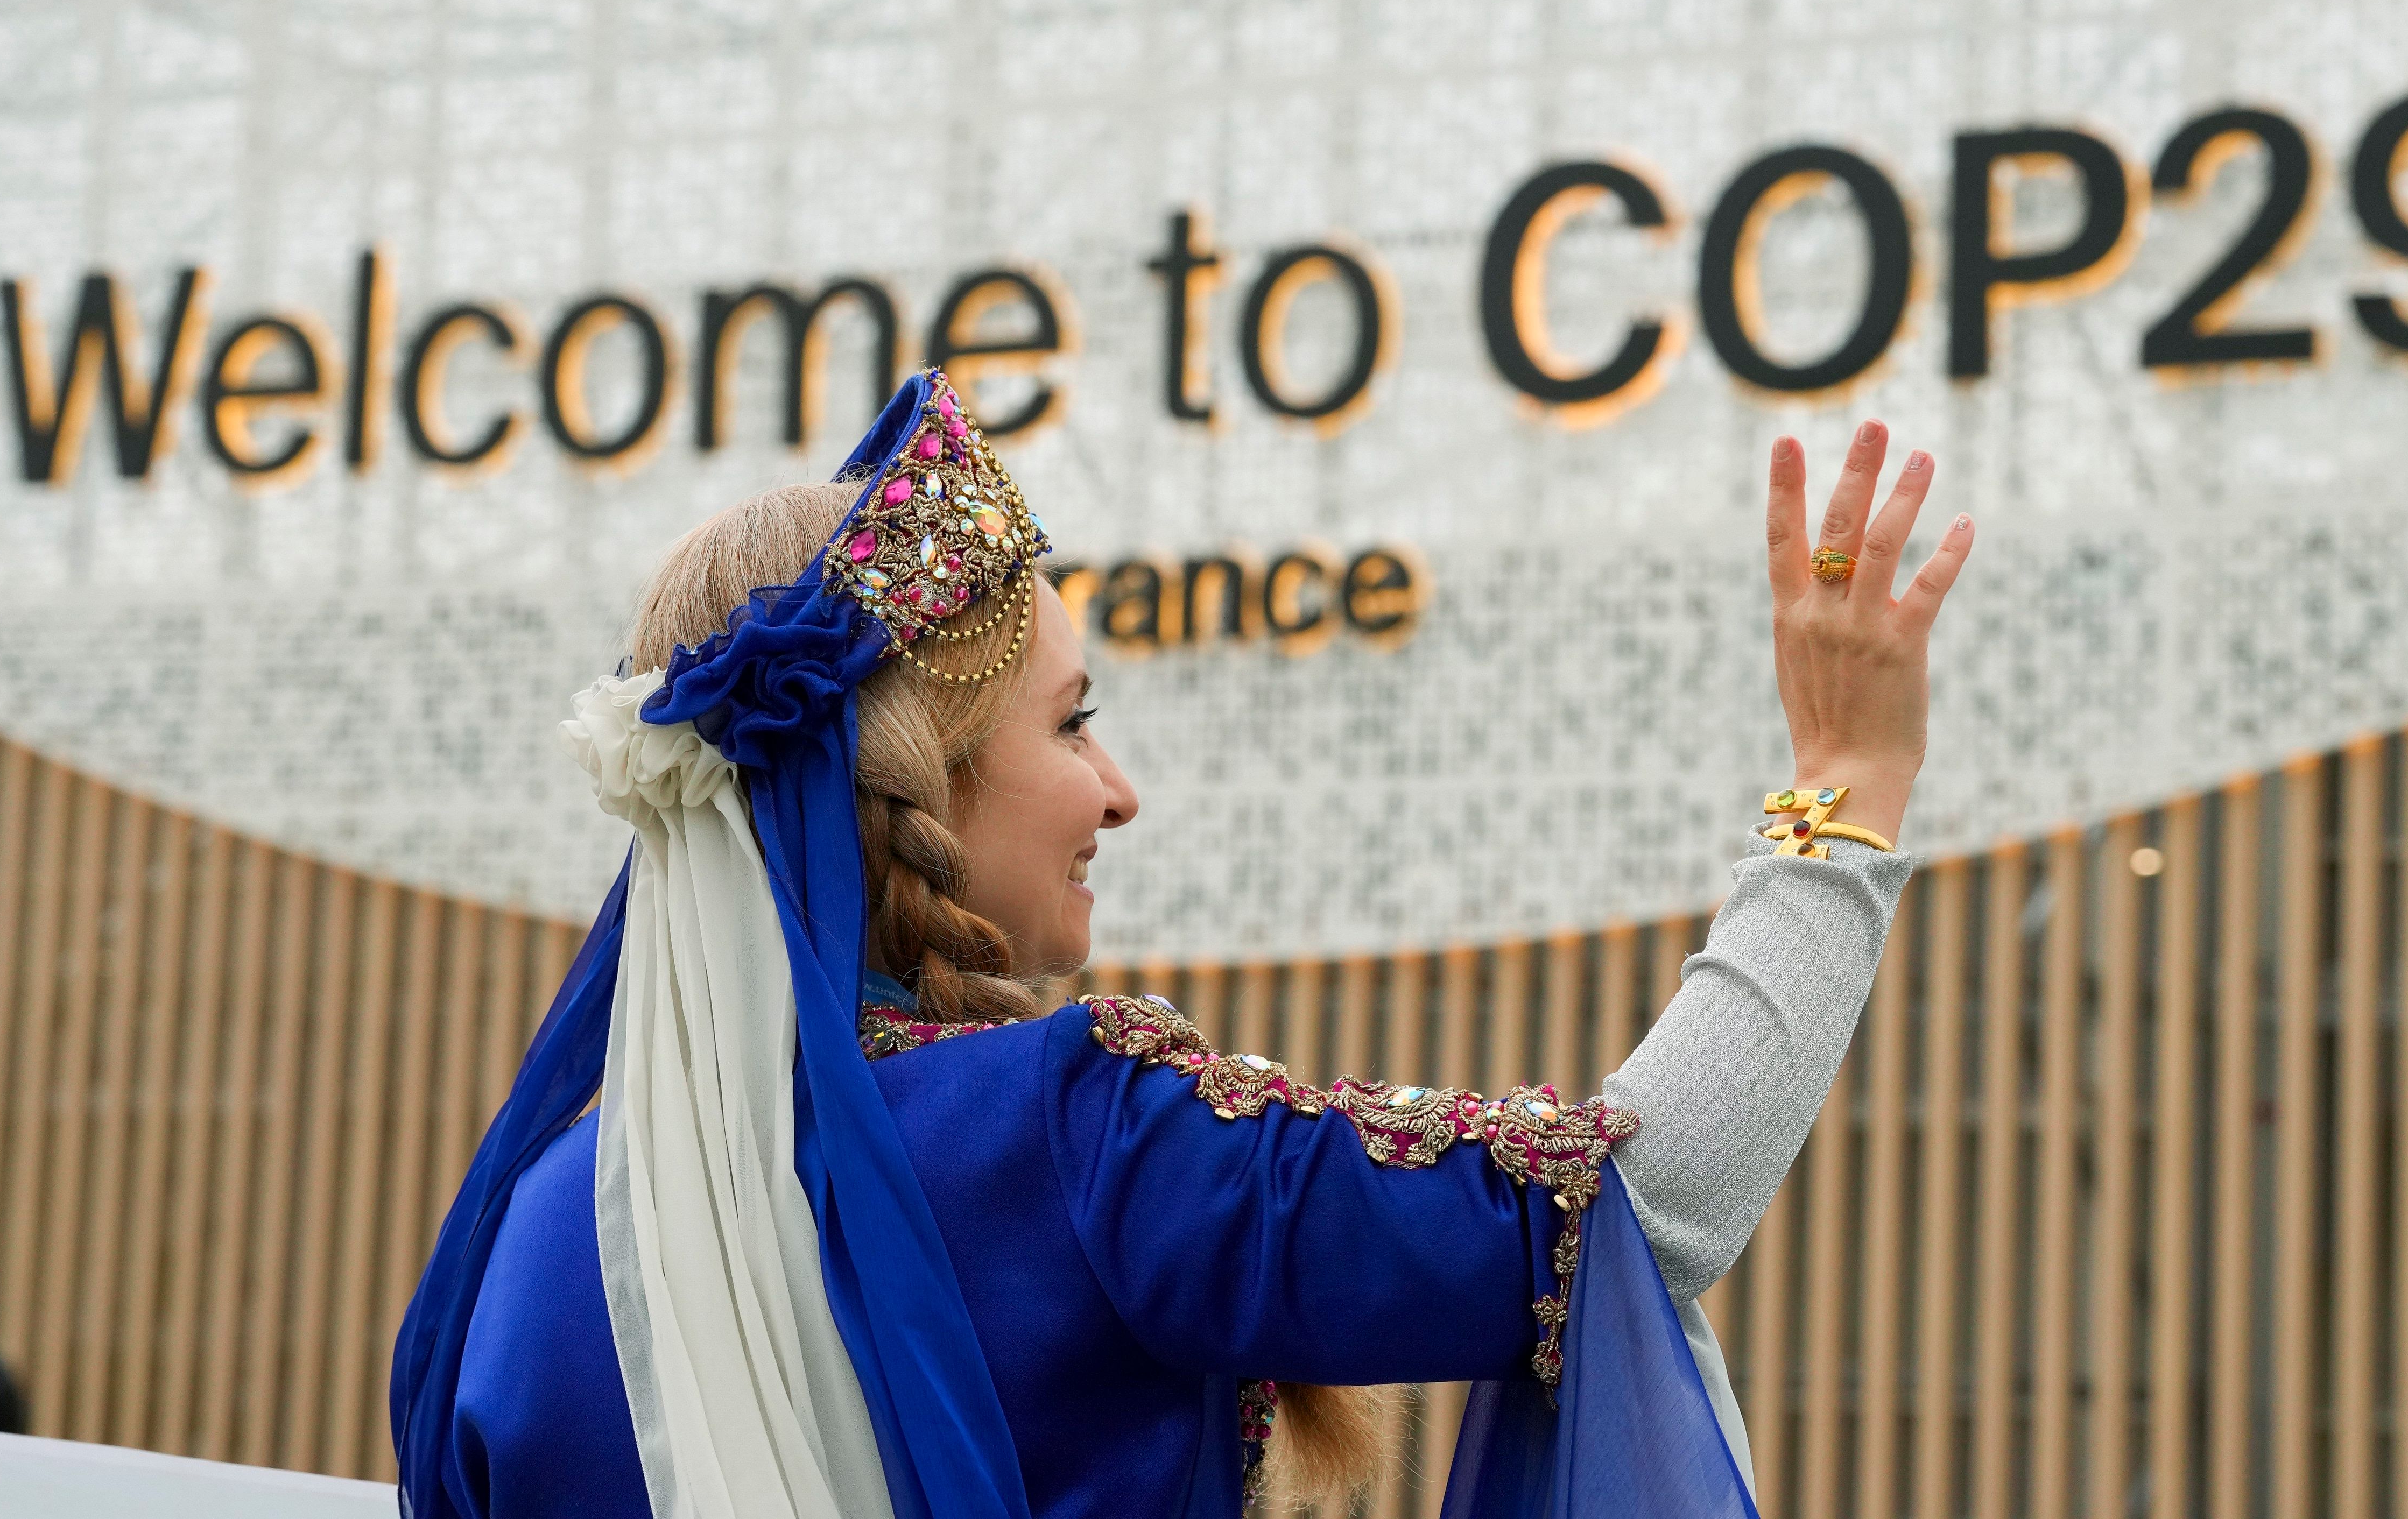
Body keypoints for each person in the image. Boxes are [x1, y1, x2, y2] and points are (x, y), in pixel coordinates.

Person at [390, 370, 1972, 1519]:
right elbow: (1637, 1201)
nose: (1117, 790)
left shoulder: (526, 1244)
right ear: (915, 781)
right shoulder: (1088, 1134)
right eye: (1075, 722)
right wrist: (1842, 793)